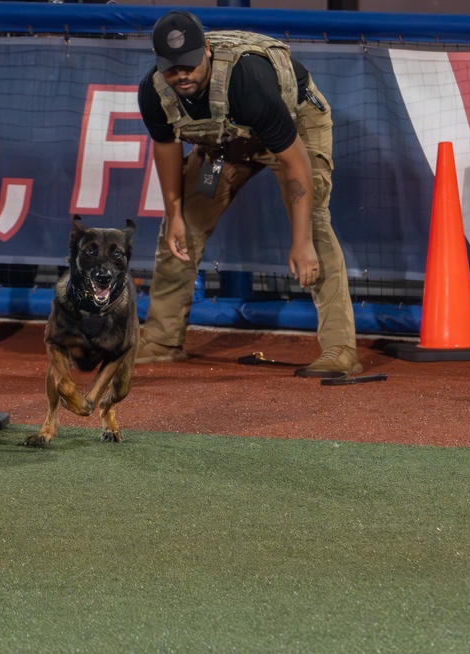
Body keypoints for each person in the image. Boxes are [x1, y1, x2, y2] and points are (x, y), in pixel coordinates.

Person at [134, 10, 362, 378]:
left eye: (189, 65)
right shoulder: (154, 91)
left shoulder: (247, 81)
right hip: (226, 140)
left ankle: (340, 349)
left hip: (294, 128)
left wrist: (300, 242)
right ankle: (161, 341)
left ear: (206, 50)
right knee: (179, 230)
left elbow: (297, 165)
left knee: (314, 227)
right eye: (171, 68)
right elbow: (166, 148)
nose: (181, 75)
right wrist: (174, 215)